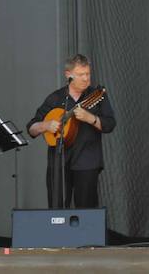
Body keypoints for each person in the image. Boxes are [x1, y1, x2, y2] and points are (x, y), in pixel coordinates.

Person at [26, 53, 116, 209]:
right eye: (81, 75)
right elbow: (32, 128)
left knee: (87, 211)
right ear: (68, 75)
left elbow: (110, 124)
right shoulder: (55, 98)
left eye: (88, 74)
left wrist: (91, 118)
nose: (86, 79)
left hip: (87, 161)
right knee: (57, 211)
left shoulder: (97, 95)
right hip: (59, 162)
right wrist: (46, 126)